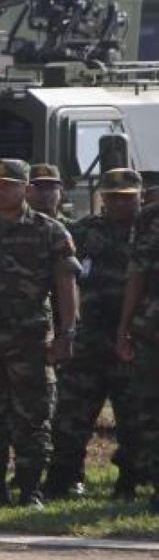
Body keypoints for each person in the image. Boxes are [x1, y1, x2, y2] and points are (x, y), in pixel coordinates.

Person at [0, 159, 78, 509]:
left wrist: (67, 333)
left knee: (32, 419)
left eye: (6, 184)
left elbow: (66, 284)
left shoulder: (48, 230)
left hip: (30, 340)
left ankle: (30, 490)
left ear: (26, 189)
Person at [50, 167, 144, 500]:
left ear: (139, 197)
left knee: (134, 419)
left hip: (132, 343)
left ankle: (129, 481)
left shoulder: (148, 233)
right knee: (71, 416)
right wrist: (63, 330)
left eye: (126, 198)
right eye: (113, 197)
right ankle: (66, 479)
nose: (119, 203)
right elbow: (60, 278)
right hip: (86, 341)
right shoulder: (82, 232)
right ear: (102, 197)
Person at [117, 182, 159, 513]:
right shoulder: (149, 218)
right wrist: (125, 327)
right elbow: (137, 275)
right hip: (152, 330)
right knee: (151, 412)